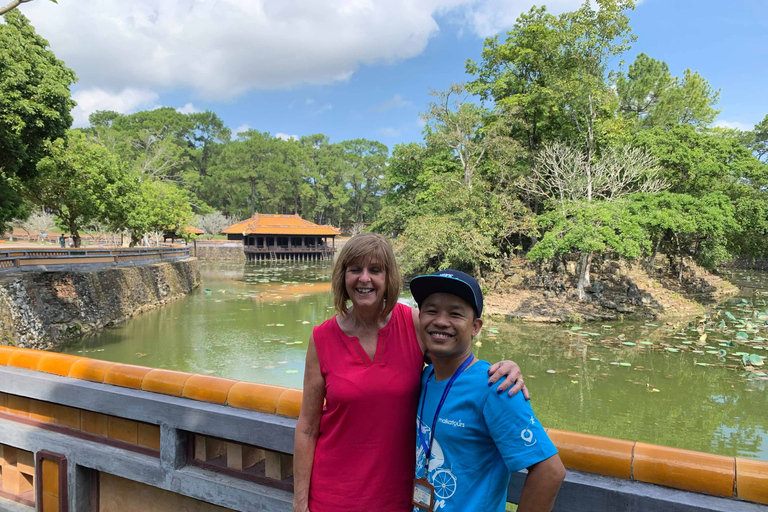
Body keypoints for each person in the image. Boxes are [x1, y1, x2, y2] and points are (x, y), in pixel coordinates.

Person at [293, 233, 529, 512]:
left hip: (400, 496)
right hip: (334, 495)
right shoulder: (322, 338)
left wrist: (504, 367)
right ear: (342, 277)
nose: (364, 279)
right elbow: (307, 428)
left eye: (375, 270)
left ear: (388, 278)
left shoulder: (413, 323)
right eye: (355, 269)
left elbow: (454, 361)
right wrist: (300, 502)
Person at [409, 270, 565, 512]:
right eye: (431, 310)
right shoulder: (424, 378)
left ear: (475, 327)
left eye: (455, 313)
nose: (440, 321)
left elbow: (550, 470)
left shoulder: (496, 386)